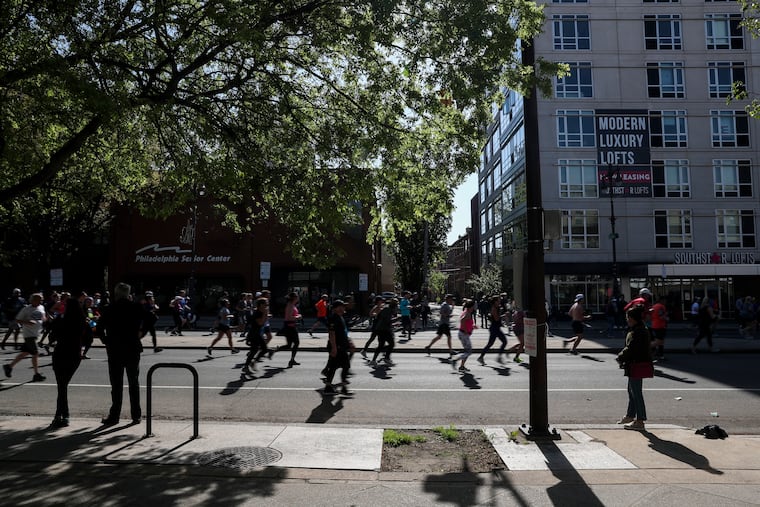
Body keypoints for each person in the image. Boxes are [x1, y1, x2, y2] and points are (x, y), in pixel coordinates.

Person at [97, 282, 146, 426]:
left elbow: (99, 328)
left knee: (116, 384)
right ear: (128, 293)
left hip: (115, 349)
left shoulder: (109, 308)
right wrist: (140, 334)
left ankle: (114, 416)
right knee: (133, 383)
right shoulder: (135, 307)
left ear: (116, 293)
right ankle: (136, 415)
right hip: (132, 347)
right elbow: (151, 318)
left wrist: (106, 340)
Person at [49, 298, 88, 428]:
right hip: (74, 355)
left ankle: (61, 415)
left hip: (60, 353)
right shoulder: (82, 321)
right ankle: (62, 415)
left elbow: (52, 336)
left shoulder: (61, 320)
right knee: (63, 385)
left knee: (61, 386)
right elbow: (89, 338)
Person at [615, 304, 653, 431]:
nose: (627, 319)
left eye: (628, 317)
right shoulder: (639, 329)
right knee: (632, 392)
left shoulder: (638, 331)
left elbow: (631, 348)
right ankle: (630, 416)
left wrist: (620, 356)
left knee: (636, 393)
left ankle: (640, 420)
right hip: (634, 364)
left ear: (633, 318)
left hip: (637, 364)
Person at [3, 293, 47, 381]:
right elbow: (17, 319)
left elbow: (43, 317)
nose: (41, 301)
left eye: (41, 299)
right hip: (29, 335)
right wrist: (27, 322)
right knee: (35, 353)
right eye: (39, 299)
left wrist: (45, 319)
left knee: (25, 353)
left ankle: (9, 366)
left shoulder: (41, 307)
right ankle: (36, 374)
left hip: (35, 334)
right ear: (33, 300)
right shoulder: (26, 309)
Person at [323, 299, 355, 395]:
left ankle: (330, 387)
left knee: (334, 367)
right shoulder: (334, 318)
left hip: (341, 346)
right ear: (335, 308)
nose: (342, 308)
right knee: (345, 365)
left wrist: (349, 342)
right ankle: (341, 388)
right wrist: (334, 348)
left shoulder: (340, 317)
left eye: (343, 306)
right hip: (337, 347)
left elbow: (343, 332)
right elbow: (332, 334)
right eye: (340, 307)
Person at [477, 295, 508, 365]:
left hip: (496, 328)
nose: (500, 301)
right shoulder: (494, 308)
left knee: (492, 344)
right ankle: (497, 357)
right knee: (502, 342)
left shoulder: (497, 307)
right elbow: (496, 319)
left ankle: (481, 357)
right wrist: (503, 315)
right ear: (495, 301)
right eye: (499, 300)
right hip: (494, 328)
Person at [242, 297, 269, 375]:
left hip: (257, 333)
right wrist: (265, 313)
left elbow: (263, 322)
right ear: (261, 305)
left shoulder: (261, 312)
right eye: (265, 303)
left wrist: (265, 314)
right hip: (254, 334)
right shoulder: (257, 313)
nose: (267, 305)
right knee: (257, 350)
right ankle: (249, 364)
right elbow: (261, 323)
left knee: (261, 349)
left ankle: (251, 363)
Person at [369, 297, 397, 366]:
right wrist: (396, 320)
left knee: (381, 345)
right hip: (383, 329)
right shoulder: (387, 310)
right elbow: (387, 321)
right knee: (391, 344)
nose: (396, 308)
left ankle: (374, 360)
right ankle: (386, 358)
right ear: (393, 305)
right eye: (396, 306)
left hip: (382, 329)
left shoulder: (387, 309)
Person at [276, 292, 302, 367]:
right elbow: (288, 317)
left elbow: (292, 316)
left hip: (291, 326)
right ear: (294, 298)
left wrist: (297, 316)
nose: (298, 298)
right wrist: (298, 317)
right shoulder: (290, 305)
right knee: (296, 343)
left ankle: (275, 351)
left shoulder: (293, 305)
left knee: (289, 345)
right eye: (297, 296)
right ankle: (292, 360)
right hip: (290, 327)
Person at [451, 300, 477, 373]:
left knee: (467, 351)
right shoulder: (468, 313)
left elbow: (466, 322)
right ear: (471, 306)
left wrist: (472, 326)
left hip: (463, 334)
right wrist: (466, 331)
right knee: (469, 351)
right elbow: (462, 320)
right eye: (474, 306)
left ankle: (462, 366)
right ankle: (455, 360)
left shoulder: (466, 311)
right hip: (464, 334)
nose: (475, 307)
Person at [650, 295, 669, 361]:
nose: (666, 302)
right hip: (660, 326)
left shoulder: (654, 306)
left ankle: (661, 355)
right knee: (659, 341)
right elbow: (661, 316)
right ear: (662, 300)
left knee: (660, 341)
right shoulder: (661, 306)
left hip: (654, 325)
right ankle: (647, 348)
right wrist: (666, 318)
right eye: (665, 300)